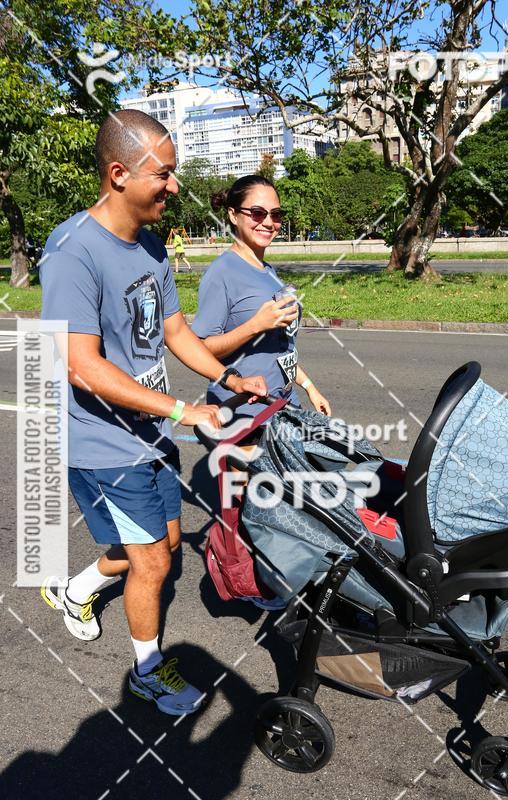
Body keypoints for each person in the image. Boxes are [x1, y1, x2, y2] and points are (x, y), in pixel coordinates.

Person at [39, 109, 267, 716]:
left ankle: (77, 588)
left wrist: (226, 376)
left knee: (161, 542)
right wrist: (184, 410)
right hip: (102, 444)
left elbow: (172, 328)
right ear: (119, 173)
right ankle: (146, 671)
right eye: (163, 174)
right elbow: (81, 366)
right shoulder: (71, 253)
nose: (174, 186)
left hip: (150, 433)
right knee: (153, 559)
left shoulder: (151, 245)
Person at [191, 175, 330, 421]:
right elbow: (201, 349)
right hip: (245, 412)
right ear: (234, 215)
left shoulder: (268, 271)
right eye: (257, 213)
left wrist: (310, 387)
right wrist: (255, 325)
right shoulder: (221, 273)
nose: (268, 222)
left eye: (275, 215)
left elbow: (277, 348)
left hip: (284, 405)